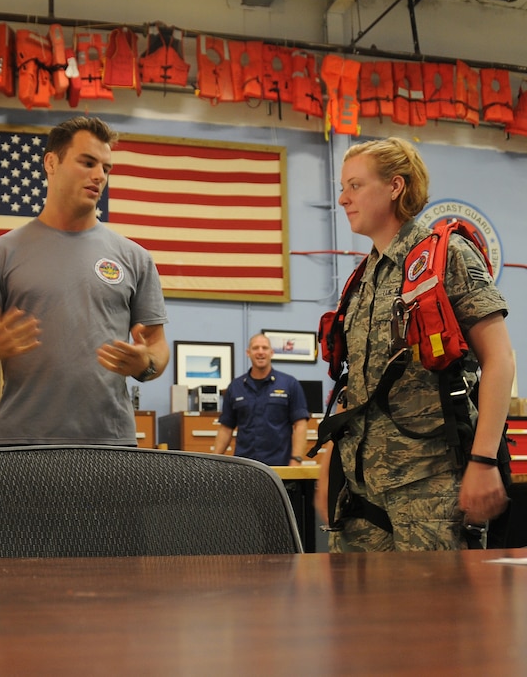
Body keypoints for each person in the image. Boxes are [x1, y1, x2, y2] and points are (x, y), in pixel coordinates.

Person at [315, 136, 513, 551]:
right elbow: (356, 385)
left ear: (395, 186)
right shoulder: (362, 278)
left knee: (436, 613)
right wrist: (329, 464)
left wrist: (483, 461)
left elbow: (500, 360)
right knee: (356, 613)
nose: (342, 198)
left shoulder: (447, 256)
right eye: (342, 187)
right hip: (360, 488)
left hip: (430, 486)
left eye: (355, 185)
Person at [0, 116, 169, 446]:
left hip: (111, 444)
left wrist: (146, 363)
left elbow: (157, 346)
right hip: (21, 444)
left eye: (106, 168)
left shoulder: (135, 258)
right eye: (87, 162)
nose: (99, 176)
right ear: (51, 162)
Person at [213, 333, 310, 466]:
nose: (260, 352)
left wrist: (296, 459)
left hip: (279, 465)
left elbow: (300, 425)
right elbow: (226, 428)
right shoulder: (235, 387)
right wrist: (213, 462)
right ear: (248, 353)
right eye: (255, 348)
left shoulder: (289, 384)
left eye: (264, 348)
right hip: (244, 466)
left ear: (271, 352)